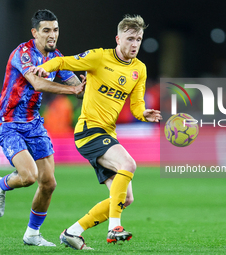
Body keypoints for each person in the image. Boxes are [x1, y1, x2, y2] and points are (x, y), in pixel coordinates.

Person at [30, 14, 162, 249]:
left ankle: (72, 232)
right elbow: (63, 62)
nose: (134, 44)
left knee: (125, 198)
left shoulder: (139, 69)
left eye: (139, 39)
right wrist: (43, 67)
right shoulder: (98, 57)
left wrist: (144, 114)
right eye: (130, 39)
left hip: (107, 134)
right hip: (89, 131)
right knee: (129, 164)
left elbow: (136, 105)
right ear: (118, 39)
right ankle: (114, 227)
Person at [0, 9, 86, 247]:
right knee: (29, 176)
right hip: (9, 122)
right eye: (46, 30)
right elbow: (37, 82)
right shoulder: (23, 54)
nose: (52, 35)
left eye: (55, 30)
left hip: (34, 123)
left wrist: (95, 85)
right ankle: (0, 184)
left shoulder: (57, 58)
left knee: (49, 182)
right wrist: (72, 91)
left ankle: (32, 234)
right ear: (35, 33)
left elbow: (77, 84)